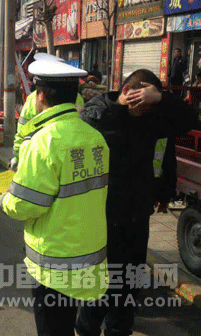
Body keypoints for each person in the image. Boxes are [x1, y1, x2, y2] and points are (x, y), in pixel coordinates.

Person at [76, 69, 196, 336]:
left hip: (138, 213)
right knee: (104, 283)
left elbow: (189, 121)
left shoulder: (152, 117)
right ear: (127, 92)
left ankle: (119, 329)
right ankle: (86, 327)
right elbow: (85, 138)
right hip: (104, 215)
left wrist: (161, 98)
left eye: (149, 103)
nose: (145, 110)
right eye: (141, 103)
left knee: (130, 282)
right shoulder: (100, 113)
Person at [0, 57, 109, 336]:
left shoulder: (43, 142)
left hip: (54, 265)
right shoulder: (95, 138)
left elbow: (25, 205)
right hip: (88, 256)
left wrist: (4, 199)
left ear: (41, 96)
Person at [10, 53, 84, 170]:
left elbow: (22, 131)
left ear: (42, 95)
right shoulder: (96, 138)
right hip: (74, 156)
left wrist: (17, 156)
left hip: (42, 157)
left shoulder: (33, 100)